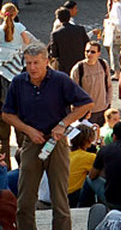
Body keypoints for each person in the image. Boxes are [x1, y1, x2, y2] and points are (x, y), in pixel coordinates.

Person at [3, 42, 94, 229]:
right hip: (31, 143)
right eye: (28, 63)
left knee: (60, 201)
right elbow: (7, 114)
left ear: (46, 62)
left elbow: (86, 103)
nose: (32, 68)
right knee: (25, 200)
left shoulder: (60, 80)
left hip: (56, 142)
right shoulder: (19, 82)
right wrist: (28, 130)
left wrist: (63, 124)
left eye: (36, 63)